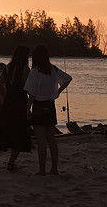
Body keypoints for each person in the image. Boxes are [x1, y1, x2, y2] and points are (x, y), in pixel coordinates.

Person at [24, 44, 72, 176]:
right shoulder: (53, 69)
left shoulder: (35, 72)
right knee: (51, 139)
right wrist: (57, 92)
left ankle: (42, 170)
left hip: (39, 107)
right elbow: (68, 79)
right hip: (50, 106)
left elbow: (32, 95)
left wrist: (27, 109)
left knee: (41, 141)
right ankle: (54, 169)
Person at [0, 46, 32, 172]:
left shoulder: (8, 68)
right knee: (20, 133)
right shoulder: (24, 69)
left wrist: (4, 93)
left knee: (4, 131)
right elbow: (28, 86)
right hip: (20, 102)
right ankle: (11, 163)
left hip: (8, 102)